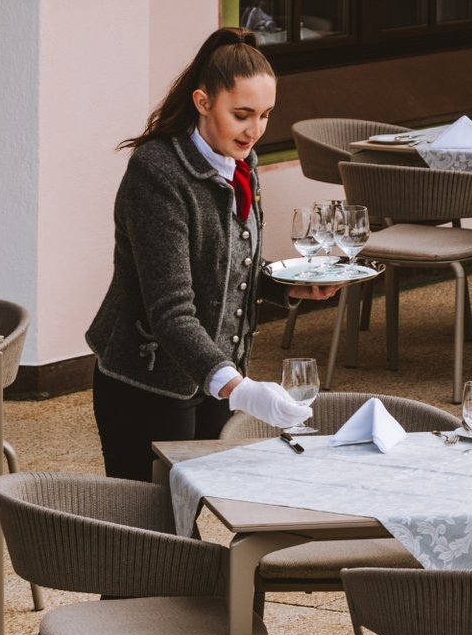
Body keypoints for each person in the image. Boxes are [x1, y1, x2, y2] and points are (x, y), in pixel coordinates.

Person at [88, 26, 315, 480]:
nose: (255, 130)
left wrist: (294, 285)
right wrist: (240, 388)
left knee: (189, 516)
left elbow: (229, 266)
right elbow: (170, 309)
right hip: (147, 382)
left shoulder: (240, 161)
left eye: (266, 115)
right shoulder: (156, 173)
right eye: (242, 114)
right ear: (202, 102)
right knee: (149, 532)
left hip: (214, 378)